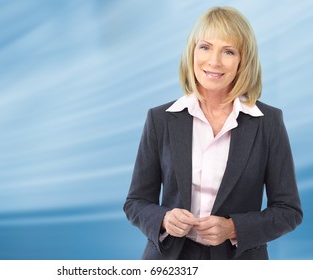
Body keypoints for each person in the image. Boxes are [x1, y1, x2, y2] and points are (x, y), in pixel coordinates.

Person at [123, 6, 303, 260]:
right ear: (192, 51)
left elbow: (288, 211)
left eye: (228, 51)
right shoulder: (161, 119)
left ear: (243, 60)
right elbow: (136, 202)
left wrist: (233, 228)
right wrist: (164, 219)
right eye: (205, 47)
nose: (214, 61)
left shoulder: (268, 122)